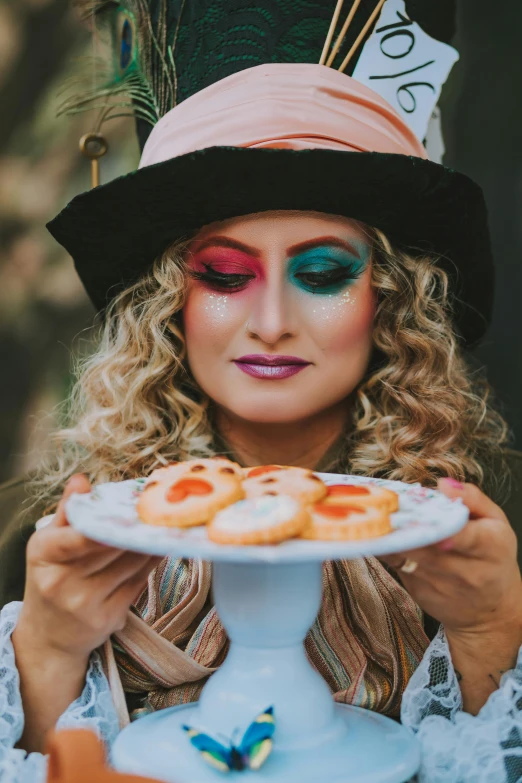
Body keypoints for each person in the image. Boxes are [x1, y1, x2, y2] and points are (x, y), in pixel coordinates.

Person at [1, 2, 522, 782]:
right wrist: (46, 651)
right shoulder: (66, 544)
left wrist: (487, 636)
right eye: (222, 274)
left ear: (391, 298)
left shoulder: (473, 539)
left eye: (321, 273)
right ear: (168, 301)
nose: (272, 323)